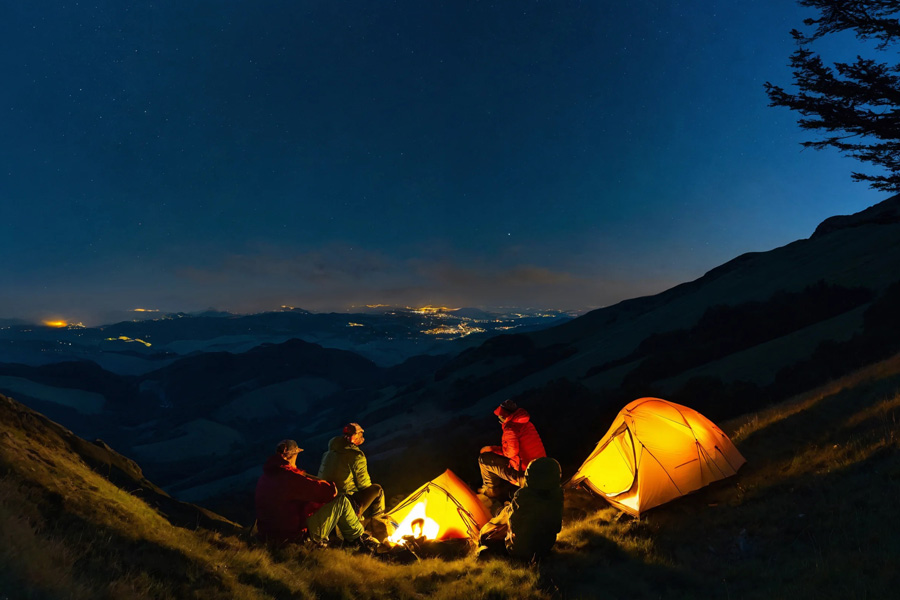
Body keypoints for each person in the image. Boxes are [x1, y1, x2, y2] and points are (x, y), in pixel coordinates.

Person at [254, 439, 378, 549]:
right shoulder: (291, 478)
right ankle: (358, 538)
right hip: (291, 536)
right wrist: (321, 481)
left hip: (266, 533)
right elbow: (329, 492)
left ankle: (353, 537)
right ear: (292, 455)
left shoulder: (265, 477)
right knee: (341, 501)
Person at [477, 457, 564, 561]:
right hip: (544, 548)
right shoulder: (557, 496)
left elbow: (514, 522)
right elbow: (557, 527)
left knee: (485, 538)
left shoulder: (523, 496)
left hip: (518, 551)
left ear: (530, 476)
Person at [478, 400, 546, 499]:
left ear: (504, 416)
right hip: (541, 469)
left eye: (499, 417)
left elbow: (510, 453)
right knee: (495, 458)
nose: (499, 420)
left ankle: (490, 492)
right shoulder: (527, 424)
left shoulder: (510, 429)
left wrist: (492, 449)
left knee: (484, 459)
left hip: (525, 475)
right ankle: (494, 490)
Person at [318, 422, 385, 520]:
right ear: (355, 436)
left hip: (326, 500)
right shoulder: (356, 456)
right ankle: (378, 522)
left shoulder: (328, 453)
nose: (362, 438)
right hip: (344, 501)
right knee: (377, 490)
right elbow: (364, 485)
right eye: (360, 435)